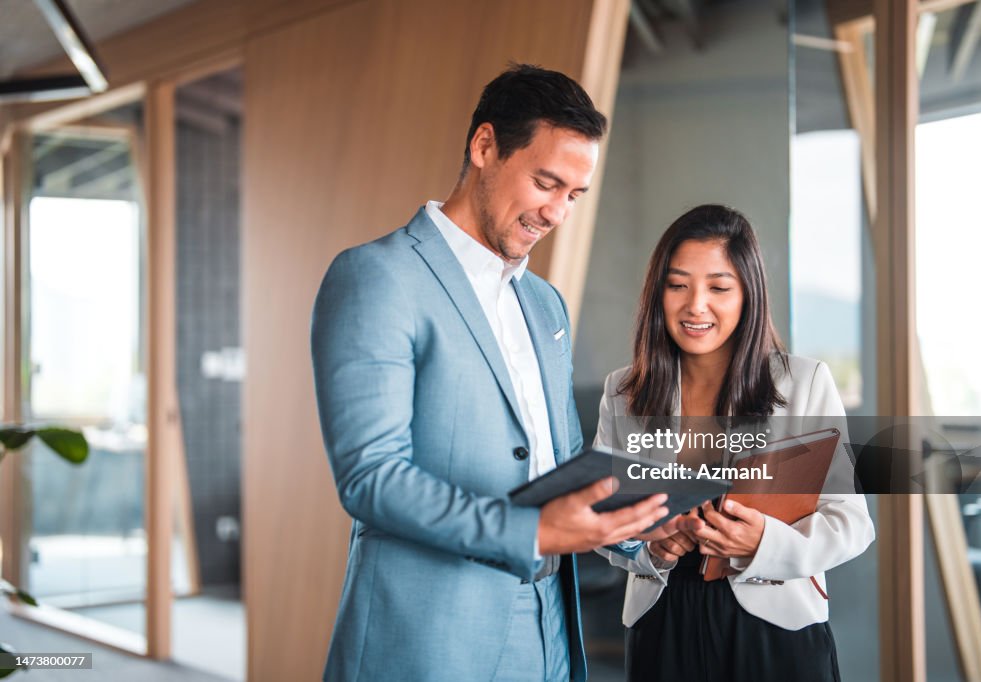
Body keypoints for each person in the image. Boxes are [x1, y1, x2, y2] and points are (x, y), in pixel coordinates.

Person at [311, 64, 669, 682]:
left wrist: (639, 531)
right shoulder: (377, 277)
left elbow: (557, 468)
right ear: (484, 147)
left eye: (573, 195)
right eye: (545, 182)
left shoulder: (546, 304)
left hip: (549, 627)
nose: (557, 212)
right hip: (428, 636)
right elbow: (371, 478)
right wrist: (530, 531)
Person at [594, 204, 875, 681]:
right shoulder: (623, 391)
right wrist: (649, 550)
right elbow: (604, 517)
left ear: (748, 294)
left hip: (775, 621)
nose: (695, 305)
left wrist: (763, 543)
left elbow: (851, 523)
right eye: (677, 285)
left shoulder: (804, 382)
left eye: (719, 288)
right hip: (662, 618)